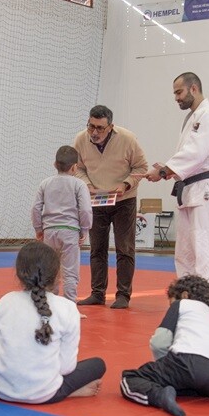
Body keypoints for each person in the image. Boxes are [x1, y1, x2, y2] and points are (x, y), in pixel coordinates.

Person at [145, 73, 209, 314]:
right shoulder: (193, 118)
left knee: (206, 253)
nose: (176, 98)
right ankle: (189, 304)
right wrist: (167, 170)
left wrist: (164, 171)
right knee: (185, 254)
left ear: (193, 89)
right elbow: (189, 156)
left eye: (179, 92)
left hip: (206, 192)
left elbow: (196, 153)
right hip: (190, 190)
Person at [0, 241, 105, 404]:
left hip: (1, 389)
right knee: (98, 365)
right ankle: (66, 391)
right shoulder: (68, 308)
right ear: (57, 276)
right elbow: (66, 367)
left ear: (19, 274)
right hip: (43, 392)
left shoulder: (6, 301)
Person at [120, 274, 209, 416]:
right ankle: (185, 385)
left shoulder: (182, 304)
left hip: (187, 363)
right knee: (193, 380)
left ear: (184, 295)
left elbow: (159, 343)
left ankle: (159, 396)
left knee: (129, 379)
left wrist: (164, 367)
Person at [73, 104, 148, 309]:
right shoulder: (80, 139)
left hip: (124, 200)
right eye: (91, 126)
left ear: (111, 127)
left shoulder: (128, 139)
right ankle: (97, 293)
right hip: (97, 200)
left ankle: (123, 295)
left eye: (100, 128)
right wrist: (87, 185)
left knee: (125, 248)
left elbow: (141, 167)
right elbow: (78, 168)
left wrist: (125, 184)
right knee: (97, 248)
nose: (94, 132)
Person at [32, 146, 92, 302]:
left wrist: (38, 229)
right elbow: (85, 209)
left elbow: (36, 208)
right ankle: (69, 305)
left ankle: (50, 304)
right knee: (70, 272)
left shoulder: (45, 183)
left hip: (49, 231)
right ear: (75, 167)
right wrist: (84, 229)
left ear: (55, 164)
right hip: (70, 231)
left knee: (50, 270)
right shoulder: (79, 184)